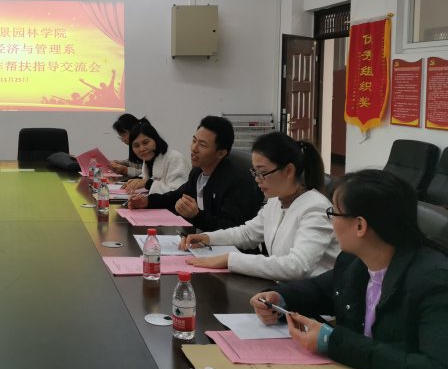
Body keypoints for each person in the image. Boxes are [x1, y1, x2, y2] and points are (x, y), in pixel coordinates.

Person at [250, 170, 448, 369]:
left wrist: (334, 342)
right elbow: (319, 289)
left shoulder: (434, 282)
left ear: (360, 225)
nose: (331, 221)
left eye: (333, 213)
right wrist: (279, 298)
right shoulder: (355, 261)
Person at [180, 132, 338, 282]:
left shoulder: (316, 208)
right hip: (282, 288)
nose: (257, 179)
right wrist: (208, 238)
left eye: (262, 172)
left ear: (289, 170)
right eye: (254, 172)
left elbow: (297, 266)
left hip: (311, 296)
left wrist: (230, 260)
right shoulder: (276, 200)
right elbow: (248, 234)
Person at [128, 116, 263, 232]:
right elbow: (176, 196)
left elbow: (231, 228)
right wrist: (148, 201)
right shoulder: (198, 172)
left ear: (221, 153)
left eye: (202, 145)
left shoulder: (236, 182)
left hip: (228, 250)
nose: (194, 148)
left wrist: (197, 216)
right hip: (201, 241)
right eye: (194, 141)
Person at [121, 119, 190, 195]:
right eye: (136, 146)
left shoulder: (176, 159)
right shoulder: (148, 161)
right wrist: (135, 182)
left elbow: (179, 192)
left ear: (155, 140)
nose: (142, 149)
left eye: (146, 143)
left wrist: (147, 183)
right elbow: (149, 178)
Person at [109, 113, 143, 178]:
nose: (123, 140)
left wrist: (126, 171)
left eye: (124, 135)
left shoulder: (146, 149)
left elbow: (149, 174)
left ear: (133, 130)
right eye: (121, 137)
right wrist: (117, 163)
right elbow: (133, 163)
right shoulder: (133, 147)